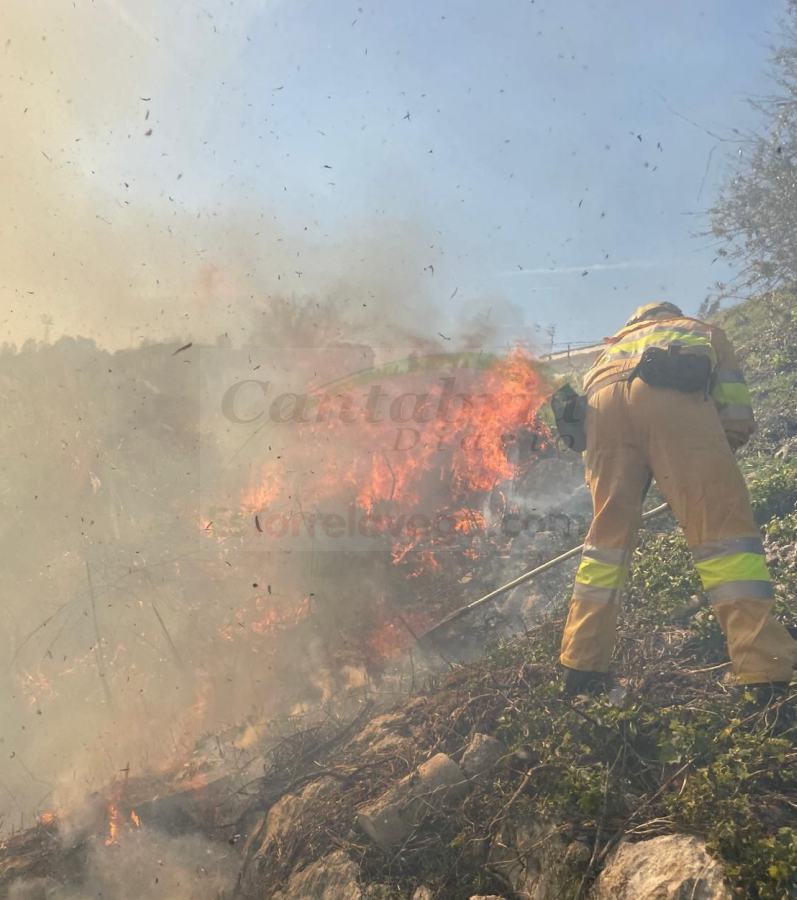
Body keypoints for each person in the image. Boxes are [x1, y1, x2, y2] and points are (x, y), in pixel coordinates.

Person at [559, 301, 797, 696]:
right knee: (724, 536)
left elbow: (598, 437)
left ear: (636, 321)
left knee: (605, 545)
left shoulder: (608, 351)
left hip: (602, 412)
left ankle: (580, 665)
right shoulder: (701, 331)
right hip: (673, 403)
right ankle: (763, 668)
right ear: (670, 314)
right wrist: (702, 472)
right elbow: (736, 415)